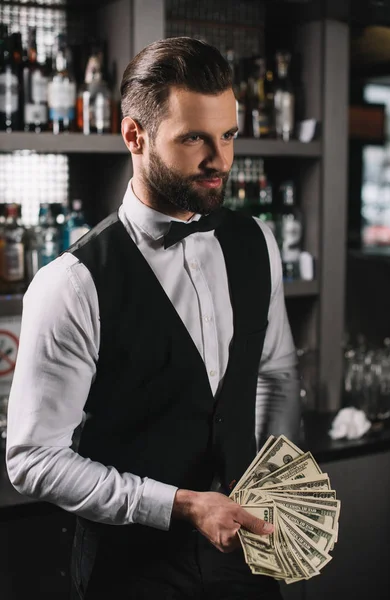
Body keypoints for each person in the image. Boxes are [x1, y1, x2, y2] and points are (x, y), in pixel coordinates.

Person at [6, 37, 300, 599]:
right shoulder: (69, 284)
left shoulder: (257, 242)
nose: (220, 160)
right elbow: (32, 459)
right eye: (194, 138)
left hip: (247, 563)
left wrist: (276, 486)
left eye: (228, 135)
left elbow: (276, 373)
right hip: (131, 571)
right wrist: (183, 505)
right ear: (134, 135)